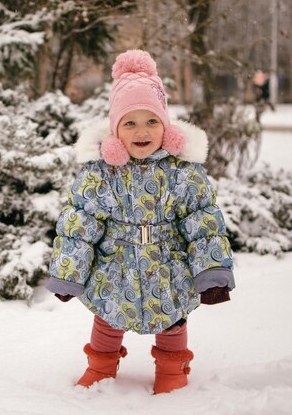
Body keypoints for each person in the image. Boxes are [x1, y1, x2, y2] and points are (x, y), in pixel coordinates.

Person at [46, 49, 235, 394]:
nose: (142, 131)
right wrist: (67, 274)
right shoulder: (101, 174)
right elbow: (80, 225)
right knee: (106, 315)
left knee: (173, 318)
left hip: (169, 265)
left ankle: (172, 370)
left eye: (151, 121)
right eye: (130, 122)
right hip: (114, 265)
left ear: (166, 126)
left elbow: (203, 223)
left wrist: (212, 273)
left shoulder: (182, 172)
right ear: (116, 129)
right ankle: (101, 366)